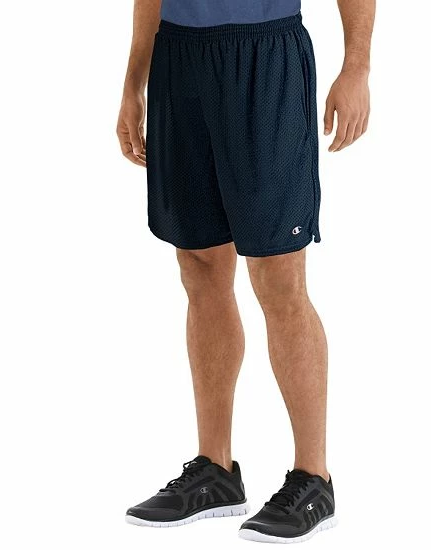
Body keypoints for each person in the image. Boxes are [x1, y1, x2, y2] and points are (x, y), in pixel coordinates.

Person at [117, 0, 374, 543]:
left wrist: (356, 67)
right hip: (178, 58)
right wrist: (134, 80)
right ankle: (215, 470)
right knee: (200, 266)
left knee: (278, 277)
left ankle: (314, 478)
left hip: (265, 55)